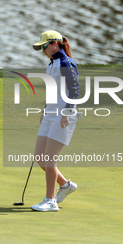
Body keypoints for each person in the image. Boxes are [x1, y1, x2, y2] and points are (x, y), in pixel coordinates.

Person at [31, 30, 79, 212]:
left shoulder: (67, 63)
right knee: (39, 157)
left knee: (50, 159)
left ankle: (51, 201)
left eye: (44, 46)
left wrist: (67, 112)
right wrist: (44, 109)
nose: (43, 51)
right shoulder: (51, 65)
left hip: (63, 116)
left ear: (54, 44)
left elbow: (74, 91)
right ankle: (66, 185)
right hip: (50, 115)